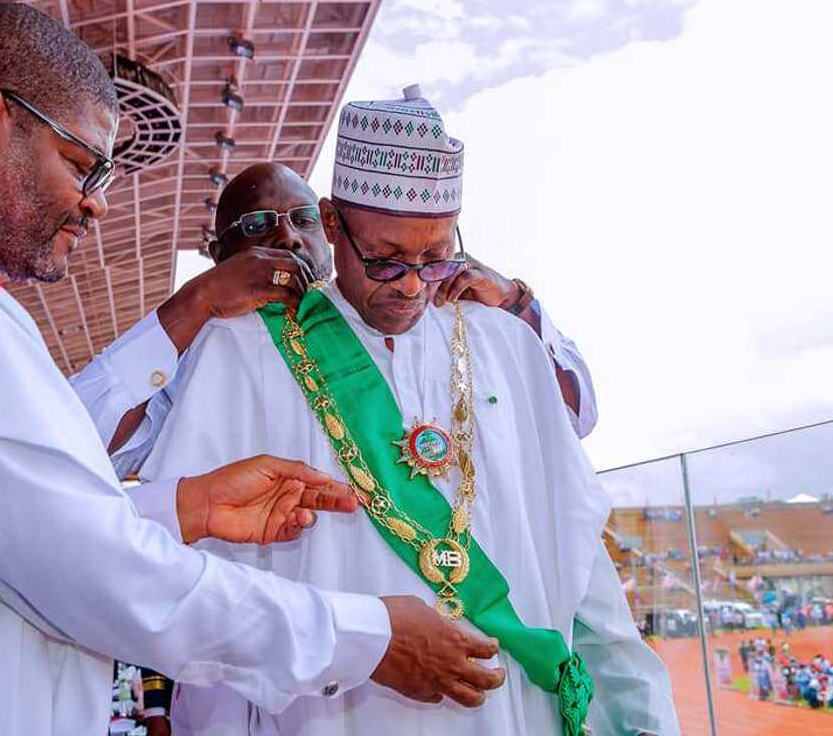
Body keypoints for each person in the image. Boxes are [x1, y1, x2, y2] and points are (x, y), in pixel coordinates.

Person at [0, 8, 506, 734]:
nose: (95, 203)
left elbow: (10, 524)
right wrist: (365, 635)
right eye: (81, 162)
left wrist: (182, 505)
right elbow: (100, 575)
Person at [139, 85, 678, 735]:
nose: (413, 285)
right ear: (333, 223)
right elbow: (197, 582)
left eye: (434, 255)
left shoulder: (504, 342)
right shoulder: (244, 350)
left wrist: (640, 713)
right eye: (386, 260)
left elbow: (573, 545)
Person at [72, 176, 598, 483]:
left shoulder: (439, 312)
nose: (286, 237)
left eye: (301, 219)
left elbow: (575, 416)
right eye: (256, 226)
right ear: (218, 257)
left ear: (329, 228)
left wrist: (517, 302)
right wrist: (197, 302)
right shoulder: (211, 351)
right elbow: (80, 446)